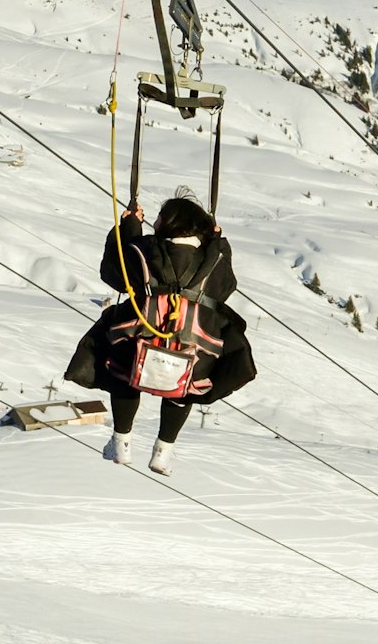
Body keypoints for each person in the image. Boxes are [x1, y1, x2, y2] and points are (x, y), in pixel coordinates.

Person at [68, 192, 252, 474]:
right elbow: (225, 288)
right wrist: (217, 242)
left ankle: (122, 441)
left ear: (170, 223)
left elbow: (113, 273)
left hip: (135, 346)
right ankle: (163, 451)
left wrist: (129, 229)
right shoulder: (213, 261)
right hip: (195, 354)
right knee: (182, 388)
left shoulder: (143, 249)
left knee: (124, 374)